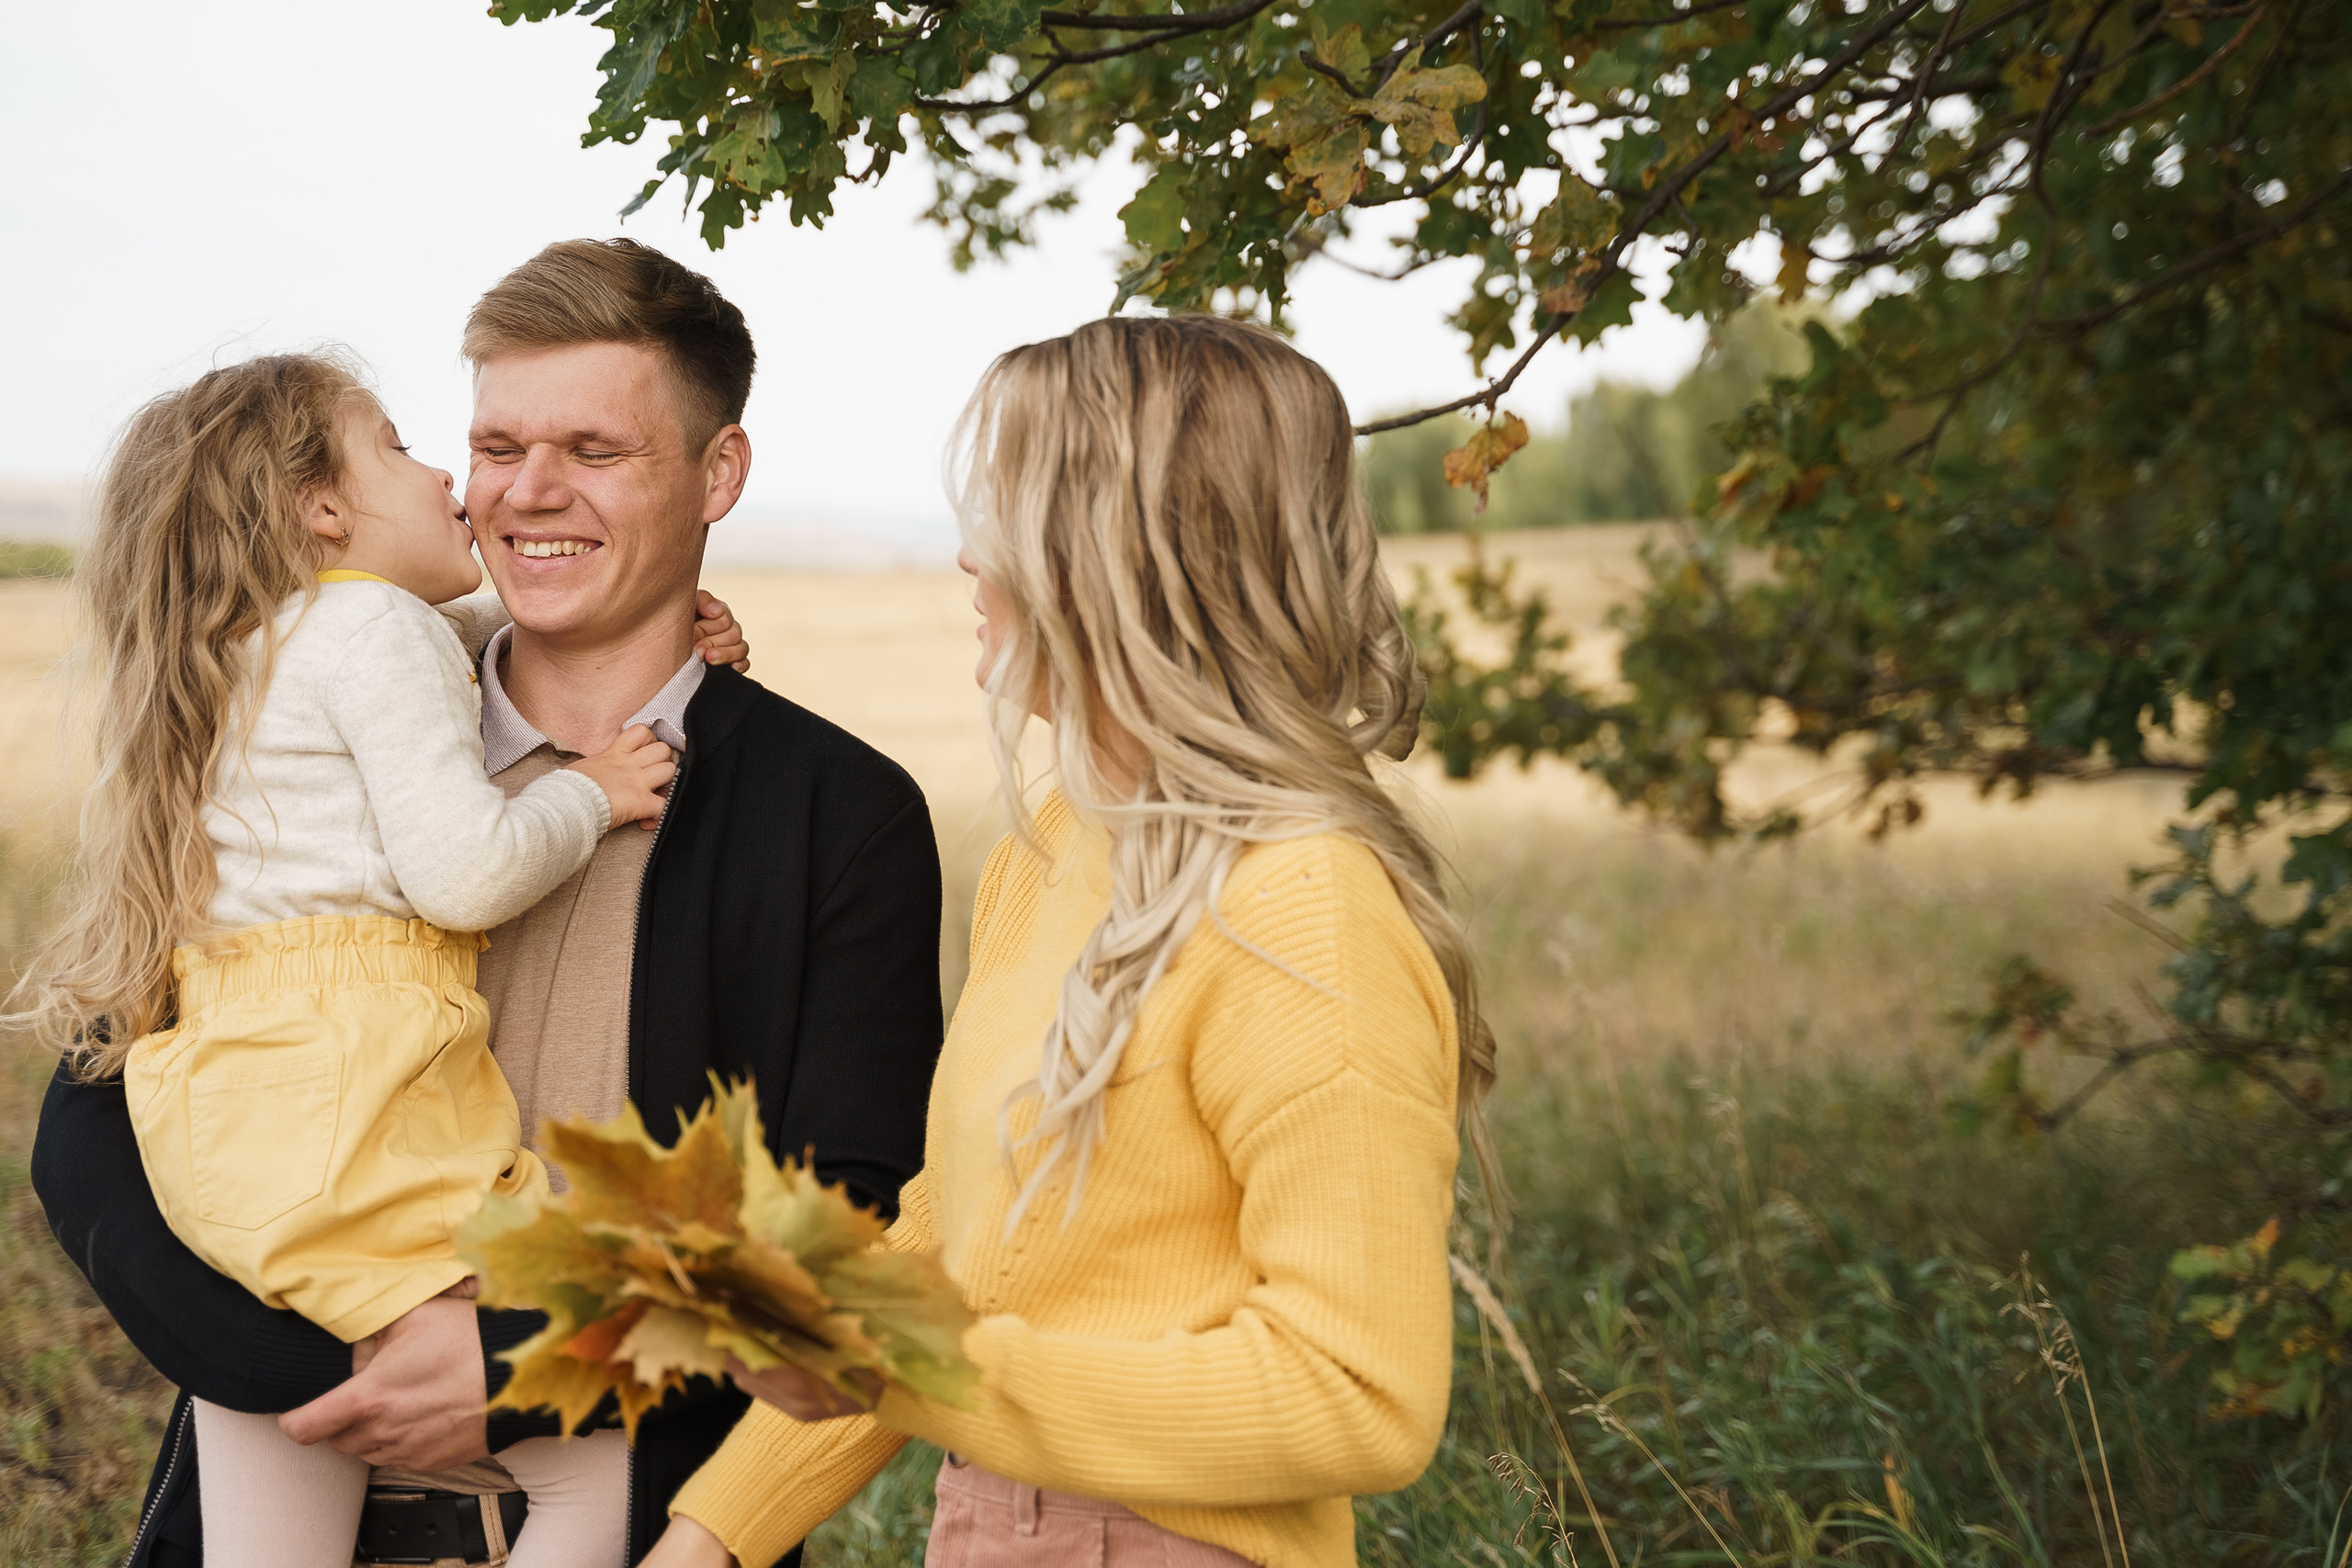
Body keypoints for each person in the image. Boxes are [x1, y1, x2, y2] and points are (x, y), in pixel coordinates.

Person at [32, 239, 946, 1568]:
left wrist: (522, 1360)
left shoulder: (840, 812)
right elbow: (89, 1129)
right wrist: (331, 1367)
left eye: (595, 449)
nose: (525, 493)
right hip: (278, 1493)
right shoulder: (298, 735)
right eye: (498, 442)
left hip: (639, 1526)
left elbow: (842, 1211)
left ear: (718, 474)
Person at [643, 315, 1504, 1568]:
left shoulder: (1301, 904)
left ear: (1120, 557)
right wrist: (711, 1536)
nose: (965, 557)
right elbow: (954, 1230)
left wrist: (909, 1364)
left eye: (1009, 510)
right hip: (991, 1524)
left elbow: (1358, 1397)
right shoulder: (1051, 846)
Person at [8, 344, 733, 1567]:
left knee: (283, 1454)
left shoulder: (243, 647)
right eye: (397, 446)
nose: (445, 468)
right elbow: (465, 873)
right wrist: (595, 794)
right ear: (320, 509)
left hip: (235, 1125)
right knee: (592, 1465)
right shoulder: (378, 626)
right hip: (361, 1109)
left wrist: (581, 619)